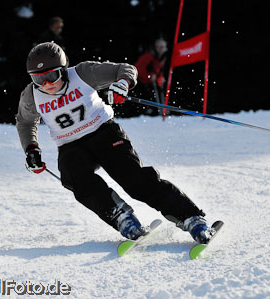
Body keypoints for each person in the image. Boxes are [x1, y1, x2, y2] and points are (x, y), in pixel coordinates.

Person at [16, 42, 215, 244]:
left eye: (51, 76)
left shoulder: (83, 74)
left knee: (134, 180)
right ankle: (121, 217)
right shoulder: (31, 96)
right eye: (38, 78)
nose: (47, 85)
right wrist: (31, 147)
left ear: (64, 70)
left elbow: (126, 69)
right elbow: (25, 121)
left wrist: (123, 83)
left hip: (104, 133)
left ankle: (191, 217)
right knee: (72, 177)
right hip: (71, 145)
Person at [134, 37, 168, 114]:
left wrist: (160, 79)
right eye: (158, 47)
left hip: (151, 84)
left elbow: (158, 72)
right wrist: (149, 76)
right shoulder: (148, 56)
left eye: (162, 47)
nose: (160, 49)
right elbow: (137, 69)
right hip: (141, 83)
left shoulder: (162, 57)